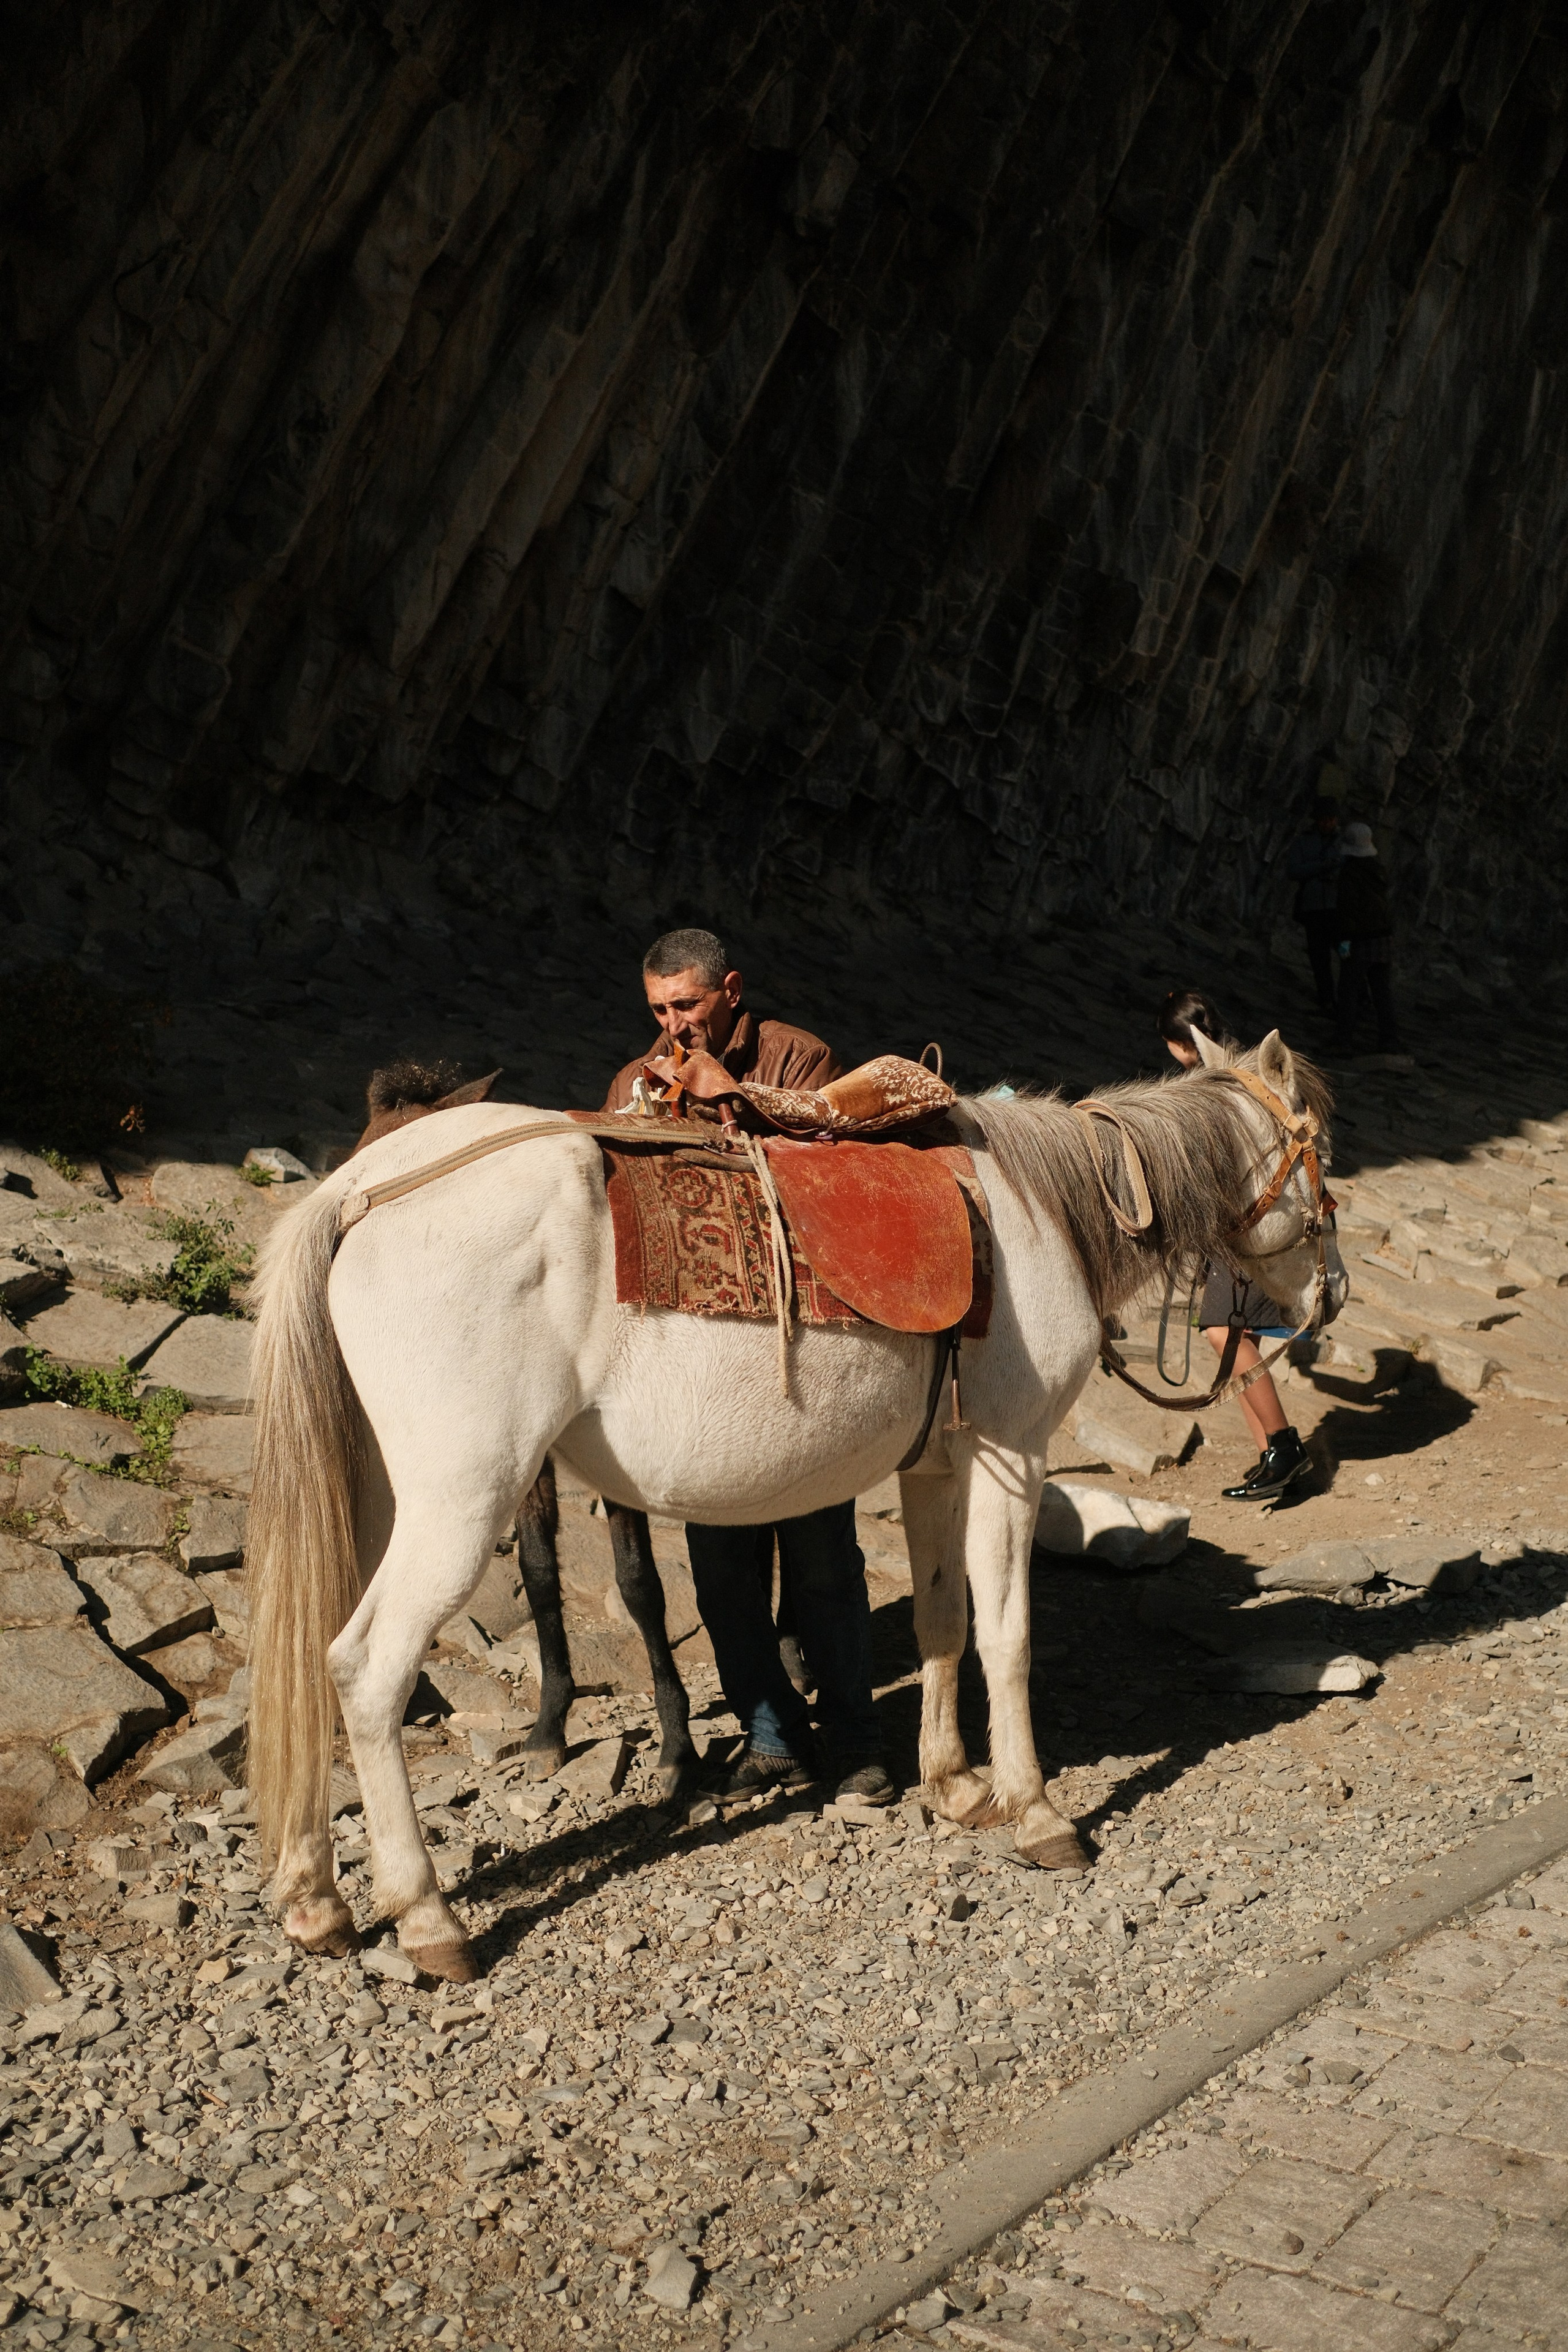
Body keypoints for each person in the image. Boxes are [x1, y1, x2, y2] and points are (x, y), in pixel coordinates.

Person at [609, 927, 894, 1808]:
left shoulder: (797, 1057)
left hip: (797, 1356)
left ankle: (854, 1738)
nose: (673, 1024)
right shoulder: (634, 1077)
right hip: (697, 1371)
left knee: (825, 1568)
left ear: (730, 989)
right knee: (722, 1573)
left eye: (687, 1004)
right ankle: (772, 1734)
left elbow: (829, 1171)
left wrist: (730, 1096)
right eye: (659, 1009)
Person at [1156, 987, 1313, 1504]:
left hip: (1243, 1232)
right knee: (1237, 1340)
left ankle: (1284, 1446)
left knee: (1223, 1332)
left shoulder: (1220, 1084)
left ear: (1182, 1043)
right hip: (1236, 1232)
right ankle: (1272, 1454)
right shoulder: (1238, 1074)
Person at [1332, 822, 1403, 1059]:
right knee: (1382, 991)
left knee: (1349, 991)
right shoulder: (1379, 871)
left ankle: (1343, 1040)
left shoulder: (1350, 873)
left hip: (1360, 940)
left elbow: (1347, 910)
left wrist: (1343, 939)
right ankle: (1390, 1040)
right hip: (1384, 938)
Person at [1284, 801, 1343, 1017]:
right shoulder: (1304, 842)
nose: (1327, 823)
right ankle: (1326, 997)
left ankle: (1354, 997)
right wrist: (1322, 866)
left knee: (1346, 951)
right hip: (1315, 908)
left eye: (1331, 819)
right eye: (1324, 819)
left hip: (1338, 909)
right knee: (1319, 955)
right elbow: (1294, 870)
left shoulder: (1344, 842)